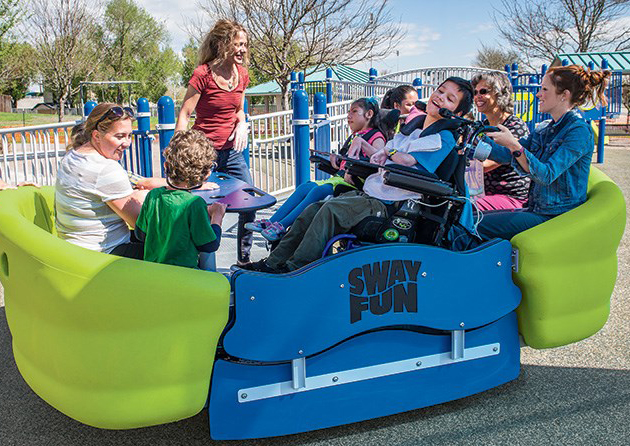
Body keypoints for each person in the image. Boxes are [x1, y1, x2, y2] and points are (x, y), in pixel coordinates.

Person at [241, 77, 474, 273]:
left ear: (458, 113)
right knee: (313, 208)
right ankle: (272, 265)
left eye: (450, 99)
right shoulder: (415, 130)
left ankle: (294, 270)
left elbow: (408, 163)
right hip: (372, 193)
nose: (441, 97)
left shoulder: (442, 138)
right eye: (440, 90)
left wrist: (388, 152)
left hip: (391, 204)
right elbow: (387, 158)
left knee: (330, 212)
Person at [477, 65, 611, 241]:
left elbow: (546, 175)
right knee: (470, 218)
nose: (538, 94)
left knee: (475, 225)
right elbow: (504, 155)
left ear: (564, 95)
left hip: (557, 216)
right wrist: (474, 139)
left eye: (544, 89)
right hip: (536, 209)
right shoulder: (546, 129)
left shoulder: (578, 132)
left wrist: (515, 146)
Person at [245, 97, 387, 241]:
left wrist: (358, 153)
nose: (348, 115)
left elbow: (379, 160)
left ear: (368, 114)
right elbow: (345, 159)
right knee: (305, 187)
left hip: (357, 181)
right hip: (339, 179)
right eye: (349, 111)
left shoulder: (376, 136)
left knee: (319, 190)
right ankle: (271, 221)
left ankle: (281, 226)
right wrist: (336, 159)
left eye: (354, 111)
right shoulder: (354, 136)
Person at [176, 19, 254, 267]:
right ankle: (198, 262)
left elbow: (238, 109)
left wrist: (242, 122)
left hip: (231, 153)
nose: (242, 49)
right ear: (222, 45)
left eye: (245, 44)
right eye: (237, 44)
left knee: (249, 198)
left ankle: (244, 259)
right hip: (204, 152)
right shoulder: (203, 74)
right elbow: (185, 114)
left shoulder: (241, 75)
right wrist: (179, 153)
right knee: (197, 205)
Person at [55, 103, 148, 259]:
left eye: (129, 135)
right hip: (104, 252)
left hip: (75, 248)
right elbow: (142, 226)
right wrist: (144, 197)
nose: (127, 143)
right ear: (96, 136)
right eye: (119, 136)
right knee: (183, 252)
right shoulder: (105, 169)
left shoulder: (72, 155)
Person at [134, 130, 227, 269]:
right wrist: (217, 217)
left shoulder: (153, 196)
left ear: (166, 166)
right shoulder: (195, 204)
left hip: (152, 273)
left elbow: (140, 234)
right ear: (206, 174)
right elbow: (209, 245)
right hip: (184, 277)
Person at [471, 71, 530, 211]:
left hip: (511, 197)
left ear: (500, 94)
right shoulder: (482, 127)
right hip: (483, 193)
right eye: (475, 92)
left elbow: (484, 165)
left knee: (464, 208)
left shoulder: (514, 127)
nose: (477, 96)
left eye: (483, 91)